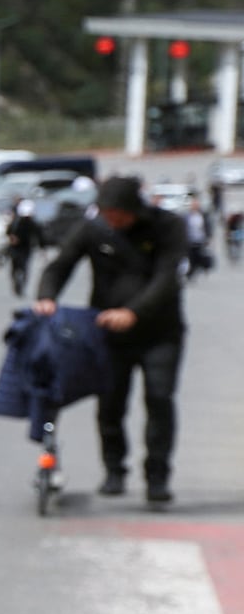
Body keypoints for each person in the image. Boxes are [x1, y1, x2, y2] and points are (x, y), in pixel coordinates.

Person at [34, 175, 190, 507]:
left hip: (160, 332)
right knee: (110, 404)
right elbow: (60, 265)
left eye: (118, 215)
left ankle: (157, 477)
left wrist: (133, 312)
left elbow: (167, 278)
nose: (113, 221)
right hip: (108, 333)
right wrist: (47, 297)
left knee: (159, 400)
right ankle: (114, 469)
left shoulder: (168, 226)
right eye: (107, 214)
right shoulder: (94, 229)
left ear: (134, 209)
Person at [5, 198, 44, 298]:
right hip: (16, 248)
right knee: (17, 266)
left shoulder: (32, 223)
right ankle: (17, 282)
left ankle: (21, 284)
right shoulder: (16, 222)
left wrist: (42, 248)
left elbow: (39, 236)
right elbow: (8, 232)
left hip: (26, 248)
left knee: (23, 266)